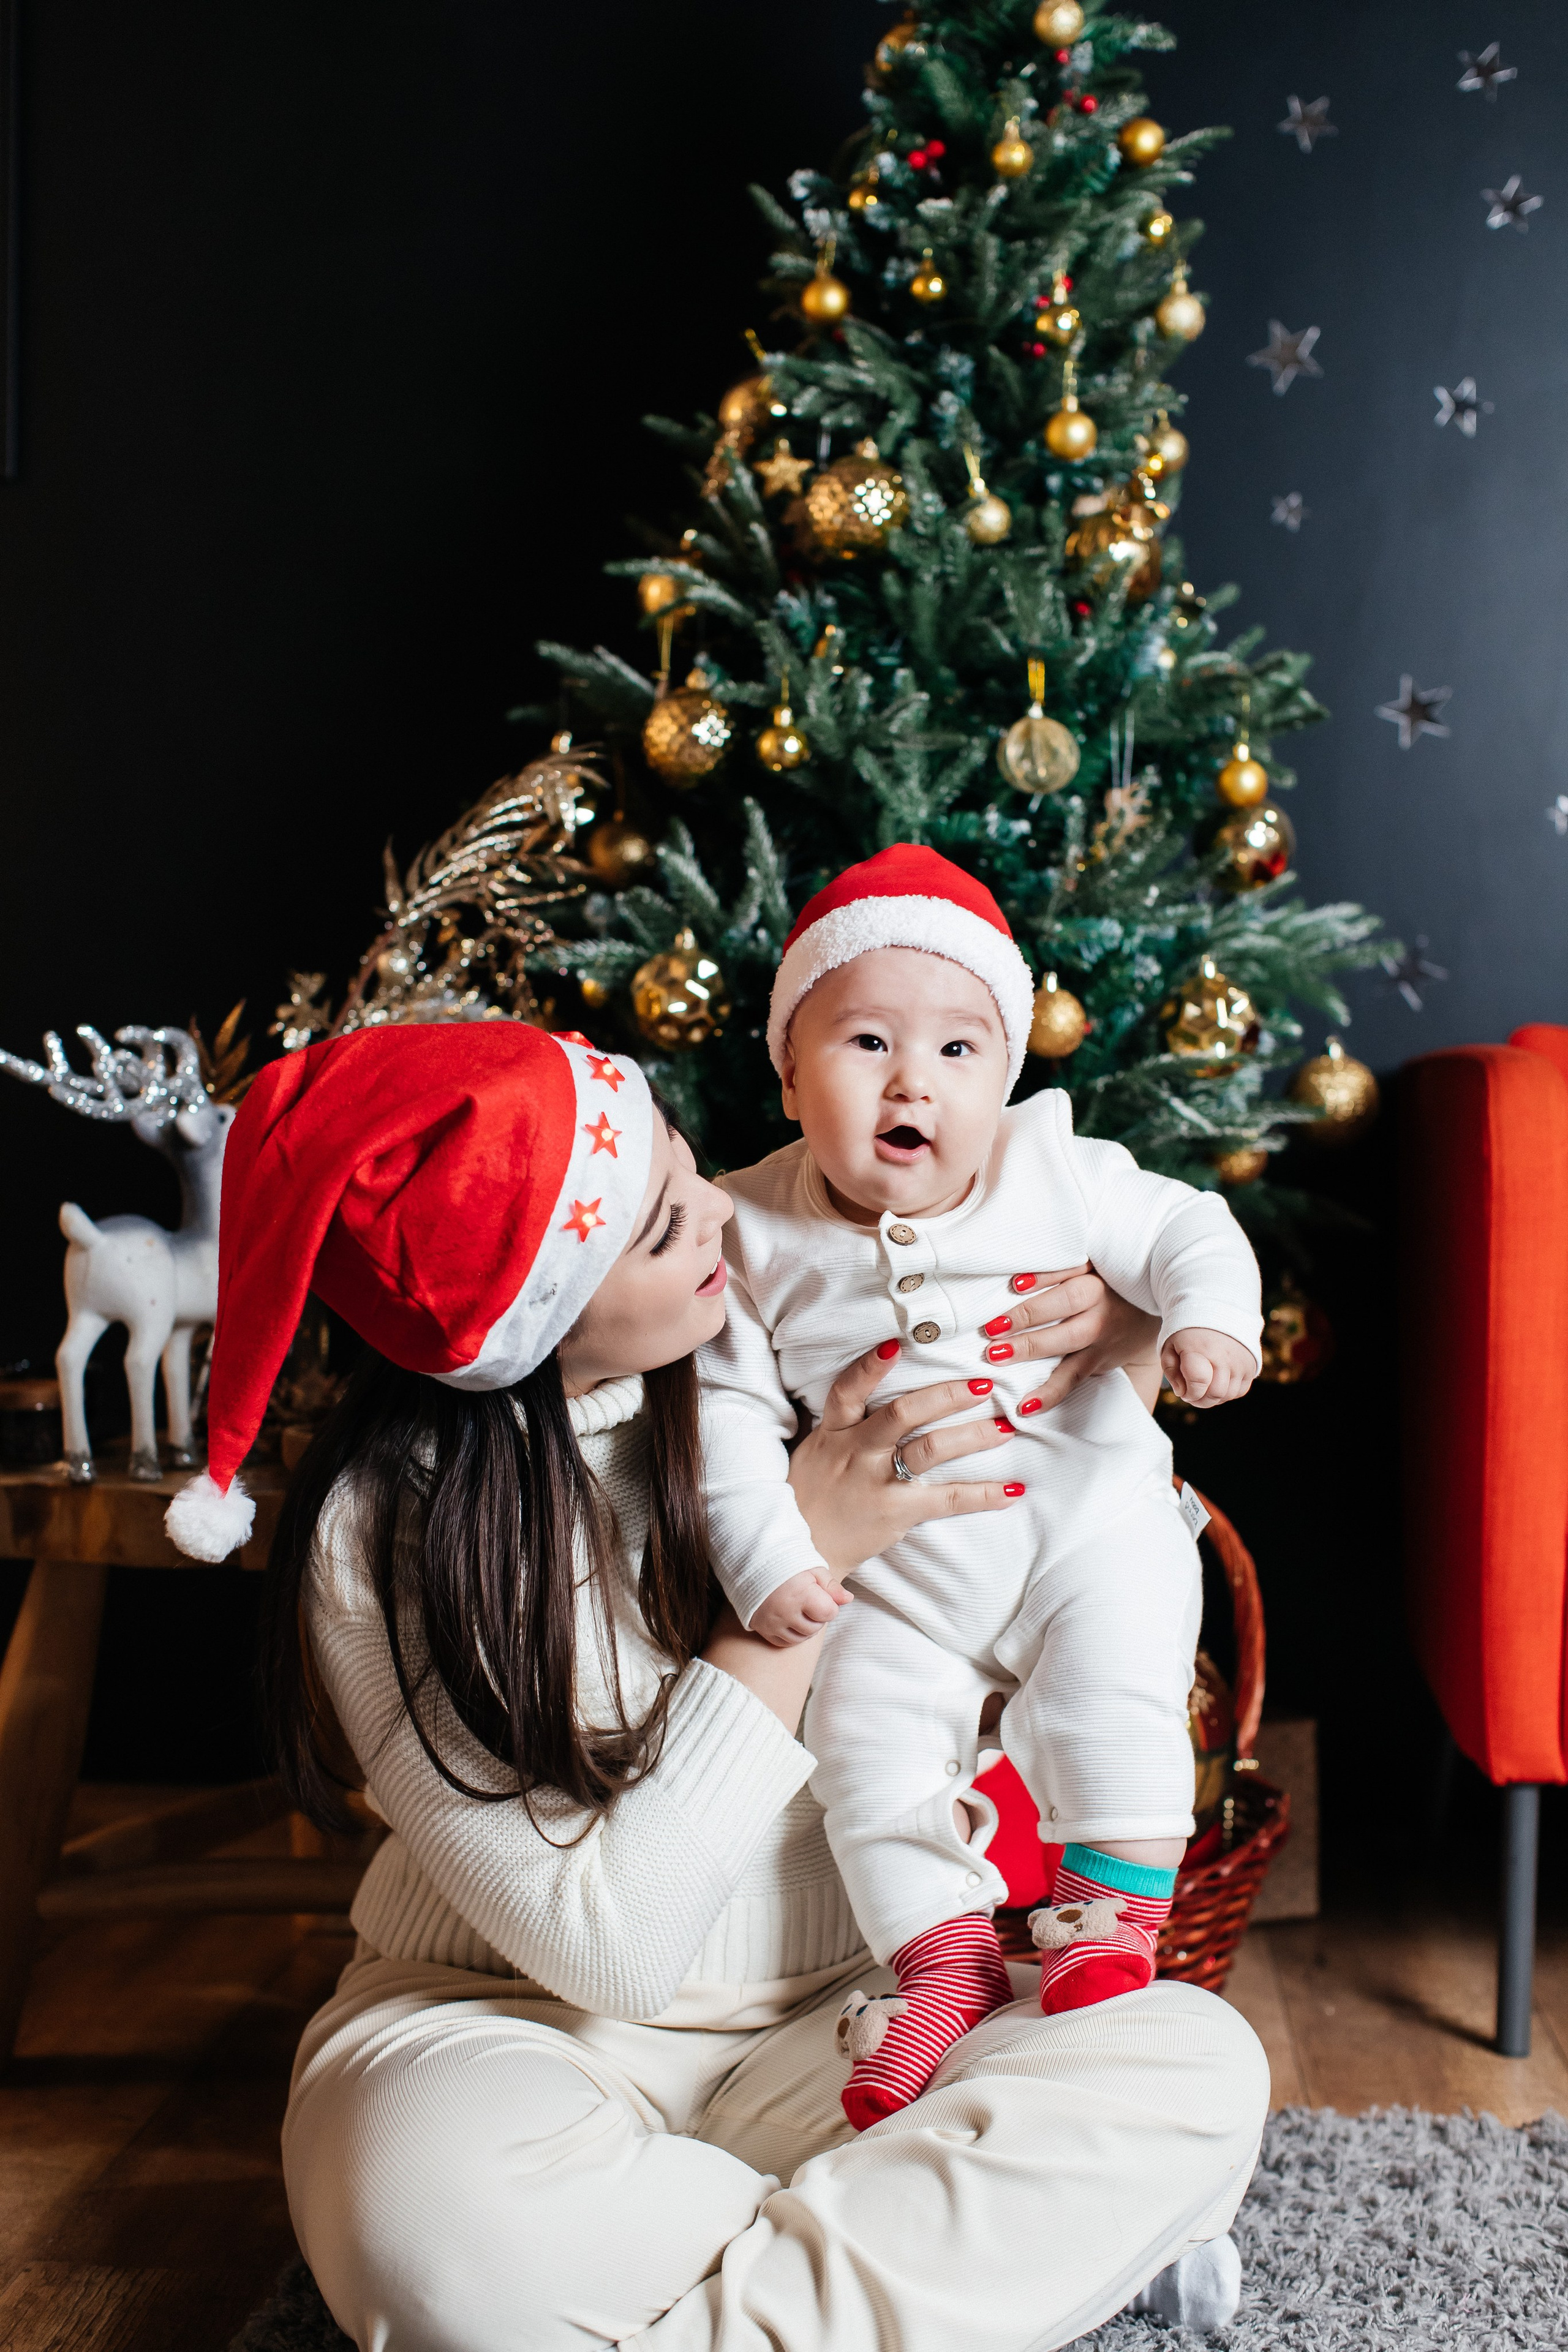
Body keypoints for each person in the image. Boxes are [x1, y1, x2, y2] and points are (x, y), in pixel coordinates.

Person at [165, 1018, 1267, 2352]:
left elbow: (1069, 1499)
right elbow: (605, 1950)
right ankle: (899, 2271)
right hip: (508, 2033)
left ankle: (710, 2282)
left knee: (1193, 2070)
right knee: (434, 2237)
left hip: (852, 2024)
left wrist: (1121, 1330)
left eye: (685, 1165)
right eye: (655, 1230)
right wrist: (793, 1568)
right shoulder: (382, 1527)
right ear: (533, 1310)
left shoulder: (805, 1327)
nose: (719, 1216)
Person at [699, 845, 1262, 2128]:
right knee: (863, 1742)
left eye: (959, 1051)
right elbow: (723, 1420)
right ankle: (938, 1958)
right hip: (901, 1575)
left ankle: (1111, 1915)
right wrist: (771, 1559)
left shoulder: (1056, 1168)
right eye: (864, 1044)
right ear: (788, 1071)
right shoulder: (749, 1230)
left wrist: (1203, 1320)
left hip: (1082, 1523)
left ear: (1004, 1075)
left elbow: (1189, 1228)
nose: (914, 1080)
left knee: (1118, 1678)